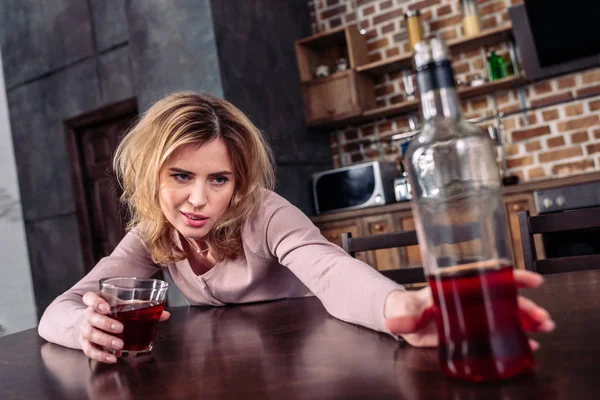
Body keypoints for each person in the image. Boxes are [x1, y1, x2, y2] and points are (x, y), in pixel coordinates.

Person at [38, 92, 555, 364]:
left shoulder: (263, 212)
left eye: (219, 179)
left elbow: (331, 271)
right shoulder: (154, 235)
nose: (198, 200)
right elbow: (56, 313)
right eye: (180, 176)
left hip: (320, 356)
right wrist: (82, 330)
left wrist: (400, 307)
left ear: (238, 181)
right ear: (151, 174)